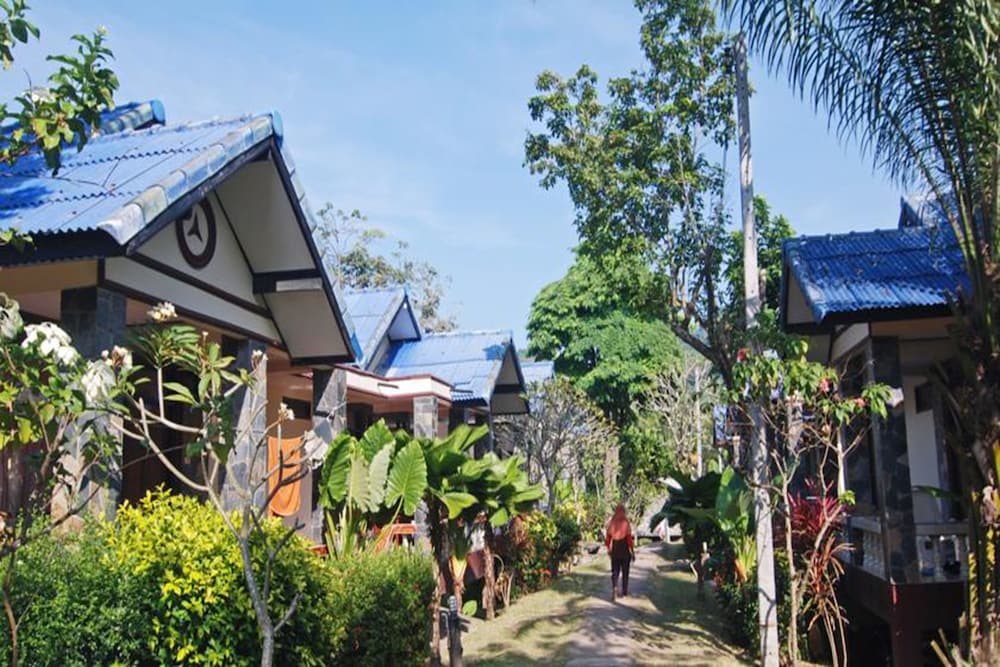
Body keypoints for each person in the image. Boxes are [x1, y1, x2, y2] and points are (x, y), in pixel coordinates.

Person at [604, 503, 635, 600]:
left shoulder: (612, 522)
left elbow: (608, 539)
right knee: (625, 572)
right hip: (625, 551)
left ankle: (614, 588)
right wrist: (632, 551)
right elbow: (629, 539)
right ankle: (624, 593)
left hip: (615, 551)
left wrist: (608, 549)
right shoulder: (626, 522)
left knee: (615, 572)